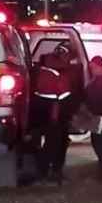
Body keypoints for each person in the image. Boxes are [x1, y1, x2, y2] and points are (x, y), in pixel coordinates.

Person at [32, 43, 80, 184]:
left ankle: (48, 173)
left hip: (46, 115)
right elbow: (64, 97)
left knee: (52, 144)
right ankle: (48, 174)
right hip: (55, 116)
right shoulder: (57, 74)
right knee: (54, 145)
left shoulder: (44, 70)